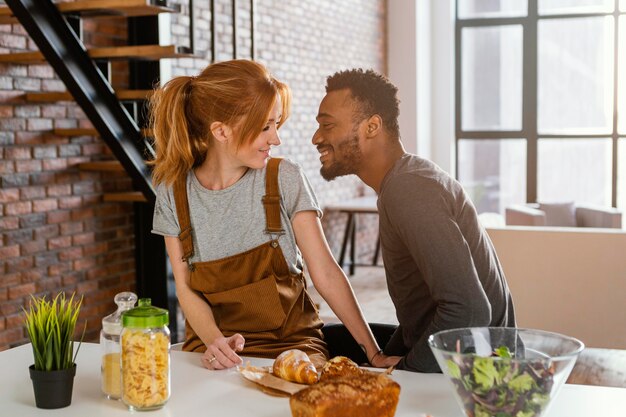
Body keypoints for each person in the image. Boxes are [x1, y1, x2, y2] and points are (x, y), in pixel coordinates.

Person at [149, 59, 398, 370]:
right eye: (265, 127)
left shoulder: (284, 178)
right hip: (210, 346)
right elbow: (185, 289)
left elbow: (326, 274)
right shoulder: (173, 193)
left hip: (292, 346)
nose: (275, 138)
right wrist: (215, 341)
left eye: (276, 124)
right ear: (221, 131)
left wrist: (373, 354)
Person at [312, 68, 516, 372]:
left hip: (481, 378)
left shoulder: (409, 189)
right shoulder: (407, 179)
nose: (317, 137)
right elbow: (422, 322)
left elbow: (470, 311)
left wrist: (405, 368)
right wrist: (379, 359)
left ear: (372, 127)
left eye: (327, 126)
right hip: (467, 357)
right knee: (326, 340)